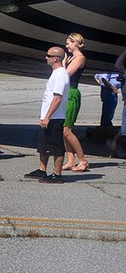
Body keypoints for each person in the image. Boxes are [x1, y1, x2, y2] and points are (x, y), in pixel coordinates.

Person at [25, 46, 70, 184]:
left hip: (55, 117)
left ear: (56, 58)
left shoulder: (60, 74)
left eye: (48, 55)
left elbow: (57, 98)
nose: (46, 57)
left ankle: (57, 174)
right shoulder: (56, 73)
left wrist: (48, 116)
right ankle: (42, 170)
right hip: (49, 116)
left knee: (56, 146)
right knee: (43, 144)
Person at [62, 33, 88, 172]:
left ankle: (83, 160)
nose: (66, 46)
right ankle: (71, 160)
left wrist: (62, 63)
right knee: (63, 129)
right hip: (66, 92)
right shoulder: (71, 57)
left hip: (72, 92)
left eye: (68, 43)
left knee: (67, 130)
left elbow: (66, 74)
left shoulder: (80, 58)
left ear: (76, 43)